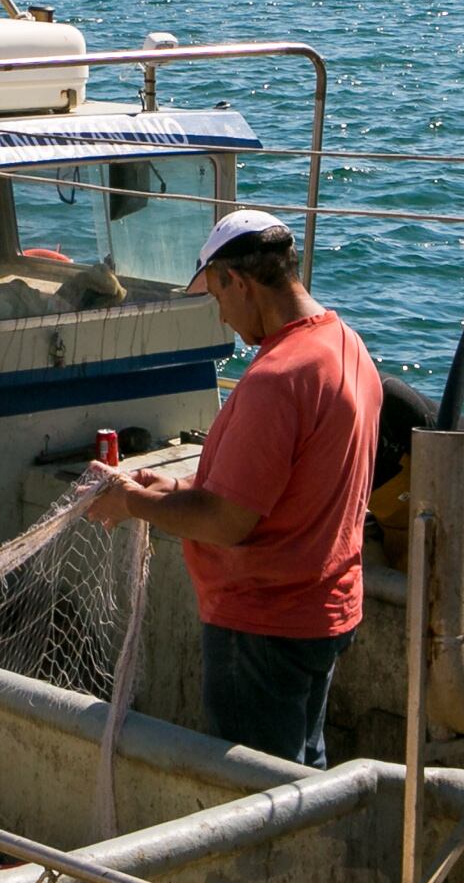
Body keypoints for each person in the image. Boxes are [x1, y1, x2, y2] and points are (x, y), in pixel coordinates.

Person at [89, 209, 380, 766]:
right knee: (303, 775)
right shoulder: (346, 346)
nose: (222, 318)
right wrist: (175, 484)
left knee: (253, 800)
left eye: (218, 298)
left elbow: (227, 522)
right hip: (324, 613)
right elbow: (282, 484)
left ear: (238, 282)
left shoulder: (277, 379)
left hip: (262, 630)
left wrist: (131, 501)